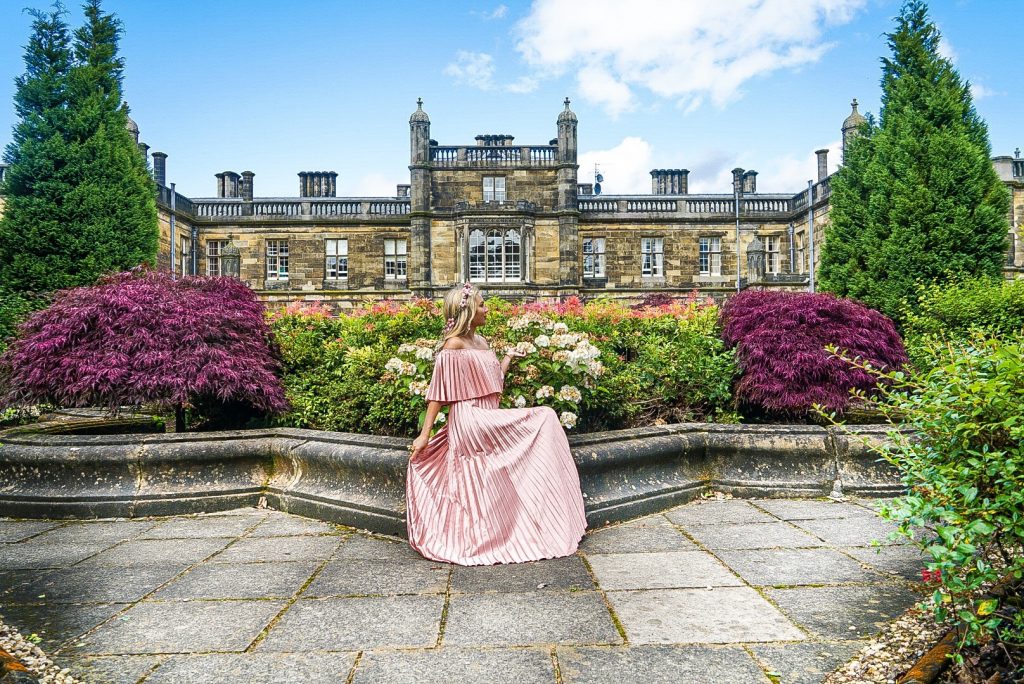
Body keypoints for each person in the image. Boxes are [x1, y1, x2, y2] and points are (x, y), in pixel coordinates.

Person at [406, 282, 588, 565]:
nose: (486, 309)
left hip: (487, 415)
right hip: (470, 421)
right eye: (481, 305)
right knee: (545, 417)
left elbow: (492, 386)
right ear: (466, 312)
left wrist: (507, 359)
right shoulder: (453, 345)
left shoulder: (482, 343)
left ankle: (541, 517)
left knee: (545, 419)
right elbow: (438, 395)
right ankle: (531, 522)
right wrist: (424, 435)